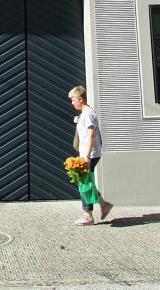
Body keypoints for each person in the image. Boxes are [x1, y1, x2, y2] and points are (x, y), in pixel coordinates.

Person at [68, 85, 112, 226]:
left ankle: (88, 217)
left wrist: (86, 155)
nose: (72, 102)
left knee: (84, 183)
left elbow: (91, 134)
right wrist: (77, 120)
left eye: (73, 99)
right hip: (89, 153)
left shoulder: (89, 114)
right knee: (86, 182)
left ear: (80, 99)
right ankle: (104, 205)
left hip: (90, 154)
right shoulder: (85, 114)